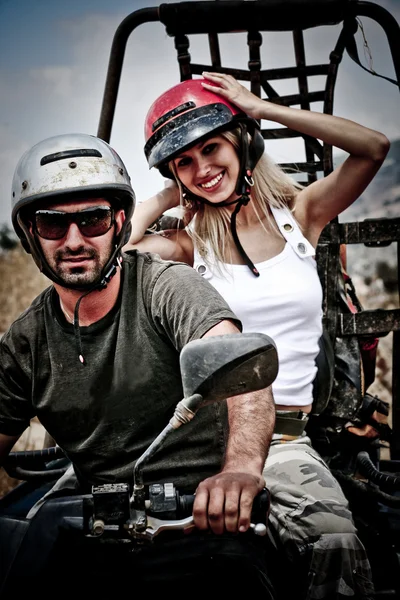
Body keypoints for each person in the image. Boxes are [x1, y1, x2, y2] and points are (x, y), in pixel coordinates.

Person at [126, 72, 390, 599]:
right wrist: (163, 194)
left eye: (212, 148)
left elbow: (372, 147)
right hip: (200, 436)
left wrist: (259, 108)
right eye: (185, 161)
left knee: (334, 542)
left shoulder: (300, 218)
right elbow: (111, 258)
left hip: (284, 437)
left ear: (243, 142)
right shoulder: (184, 243)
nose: (203, 169)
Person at [0, 133, 277, 592]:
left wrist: (240, 470)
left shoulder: (166, 288)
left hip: (199, 517)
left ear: (119, 223)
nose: (73, 240)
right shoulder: (26, 340)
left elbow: (242, 373)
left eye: (93, 220)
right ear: (31, 233)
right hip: (93, 529)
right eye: (52, 224)